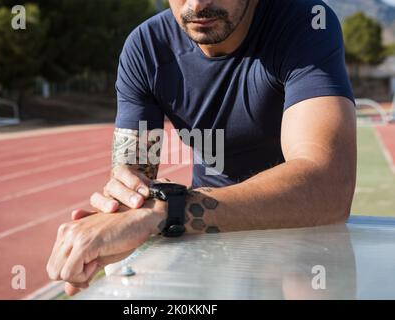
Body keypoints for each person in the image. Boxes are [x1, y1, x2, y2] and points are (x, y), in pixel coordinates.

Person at [47, 0, 357, 296]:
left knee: (313, 289)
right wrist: (121, 214)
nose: (196, 6)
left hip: (294, 226)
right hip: (202, 229)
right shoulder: (146, 47)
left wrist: (168, 210)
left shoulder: (304, 22)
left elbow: (328, 188)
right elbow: (133, 180)